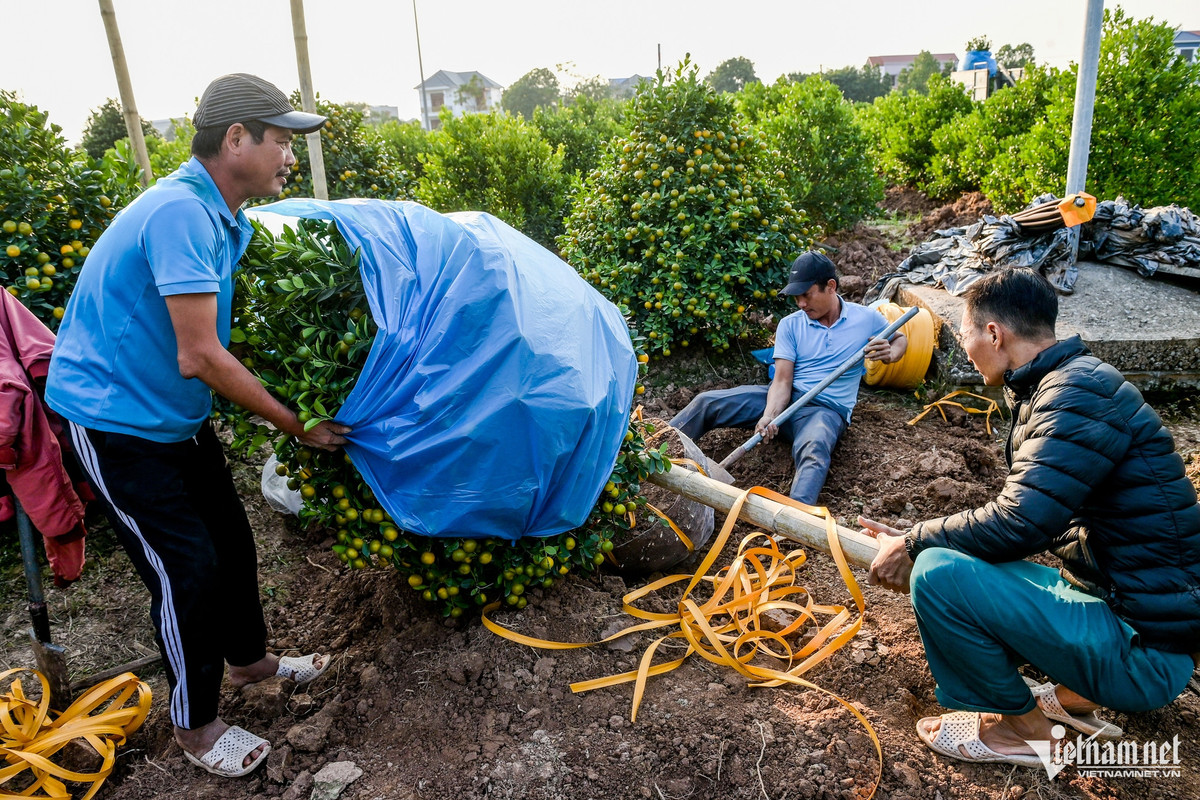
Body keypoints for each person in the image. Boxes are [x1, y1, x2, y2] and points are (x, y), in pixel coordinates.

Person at [46, 73, 351, 778]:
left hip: (172, 418)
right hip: (115, 422)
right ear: (236, 139)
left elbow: (204, 343)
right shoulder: (180, 213)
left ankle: (249, 663)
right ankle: (195, 725)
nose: (288, 157)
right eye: (280, 141)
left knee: (233, 546)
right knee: (186, 570)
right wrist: (294, 422)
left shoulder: (222, 216)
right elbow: (200, 354)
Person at [862, 268, 1200, 768]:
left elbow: (1021, 522)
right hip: (1148, 625)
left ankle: (1023, 733)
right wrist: (920, 539)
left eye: (965, 334)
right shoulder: (1073, 381)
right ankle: (1068, 698)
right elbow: (1030, 516)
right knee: (947, 555)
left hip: (1145, 653)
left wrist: (916, 543)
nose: (965, 347)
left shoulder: (1072, 396)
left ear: (994, 333)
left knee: (936, 576)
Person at [671, 251, 907, 504]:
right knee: (707, 402)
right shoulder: (790, 325)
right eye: (797, 297)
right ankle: (651, 453)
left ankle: (794, 521)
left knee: (815, 449)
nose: (801, 304)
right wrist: (769, 415)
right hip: (784, 397)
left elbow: (900, 337)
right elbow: (782, 380)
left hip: (824, 410)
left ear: (830, 286)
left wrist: (891, 354)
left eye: (806, 295)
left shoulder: (866, 318)